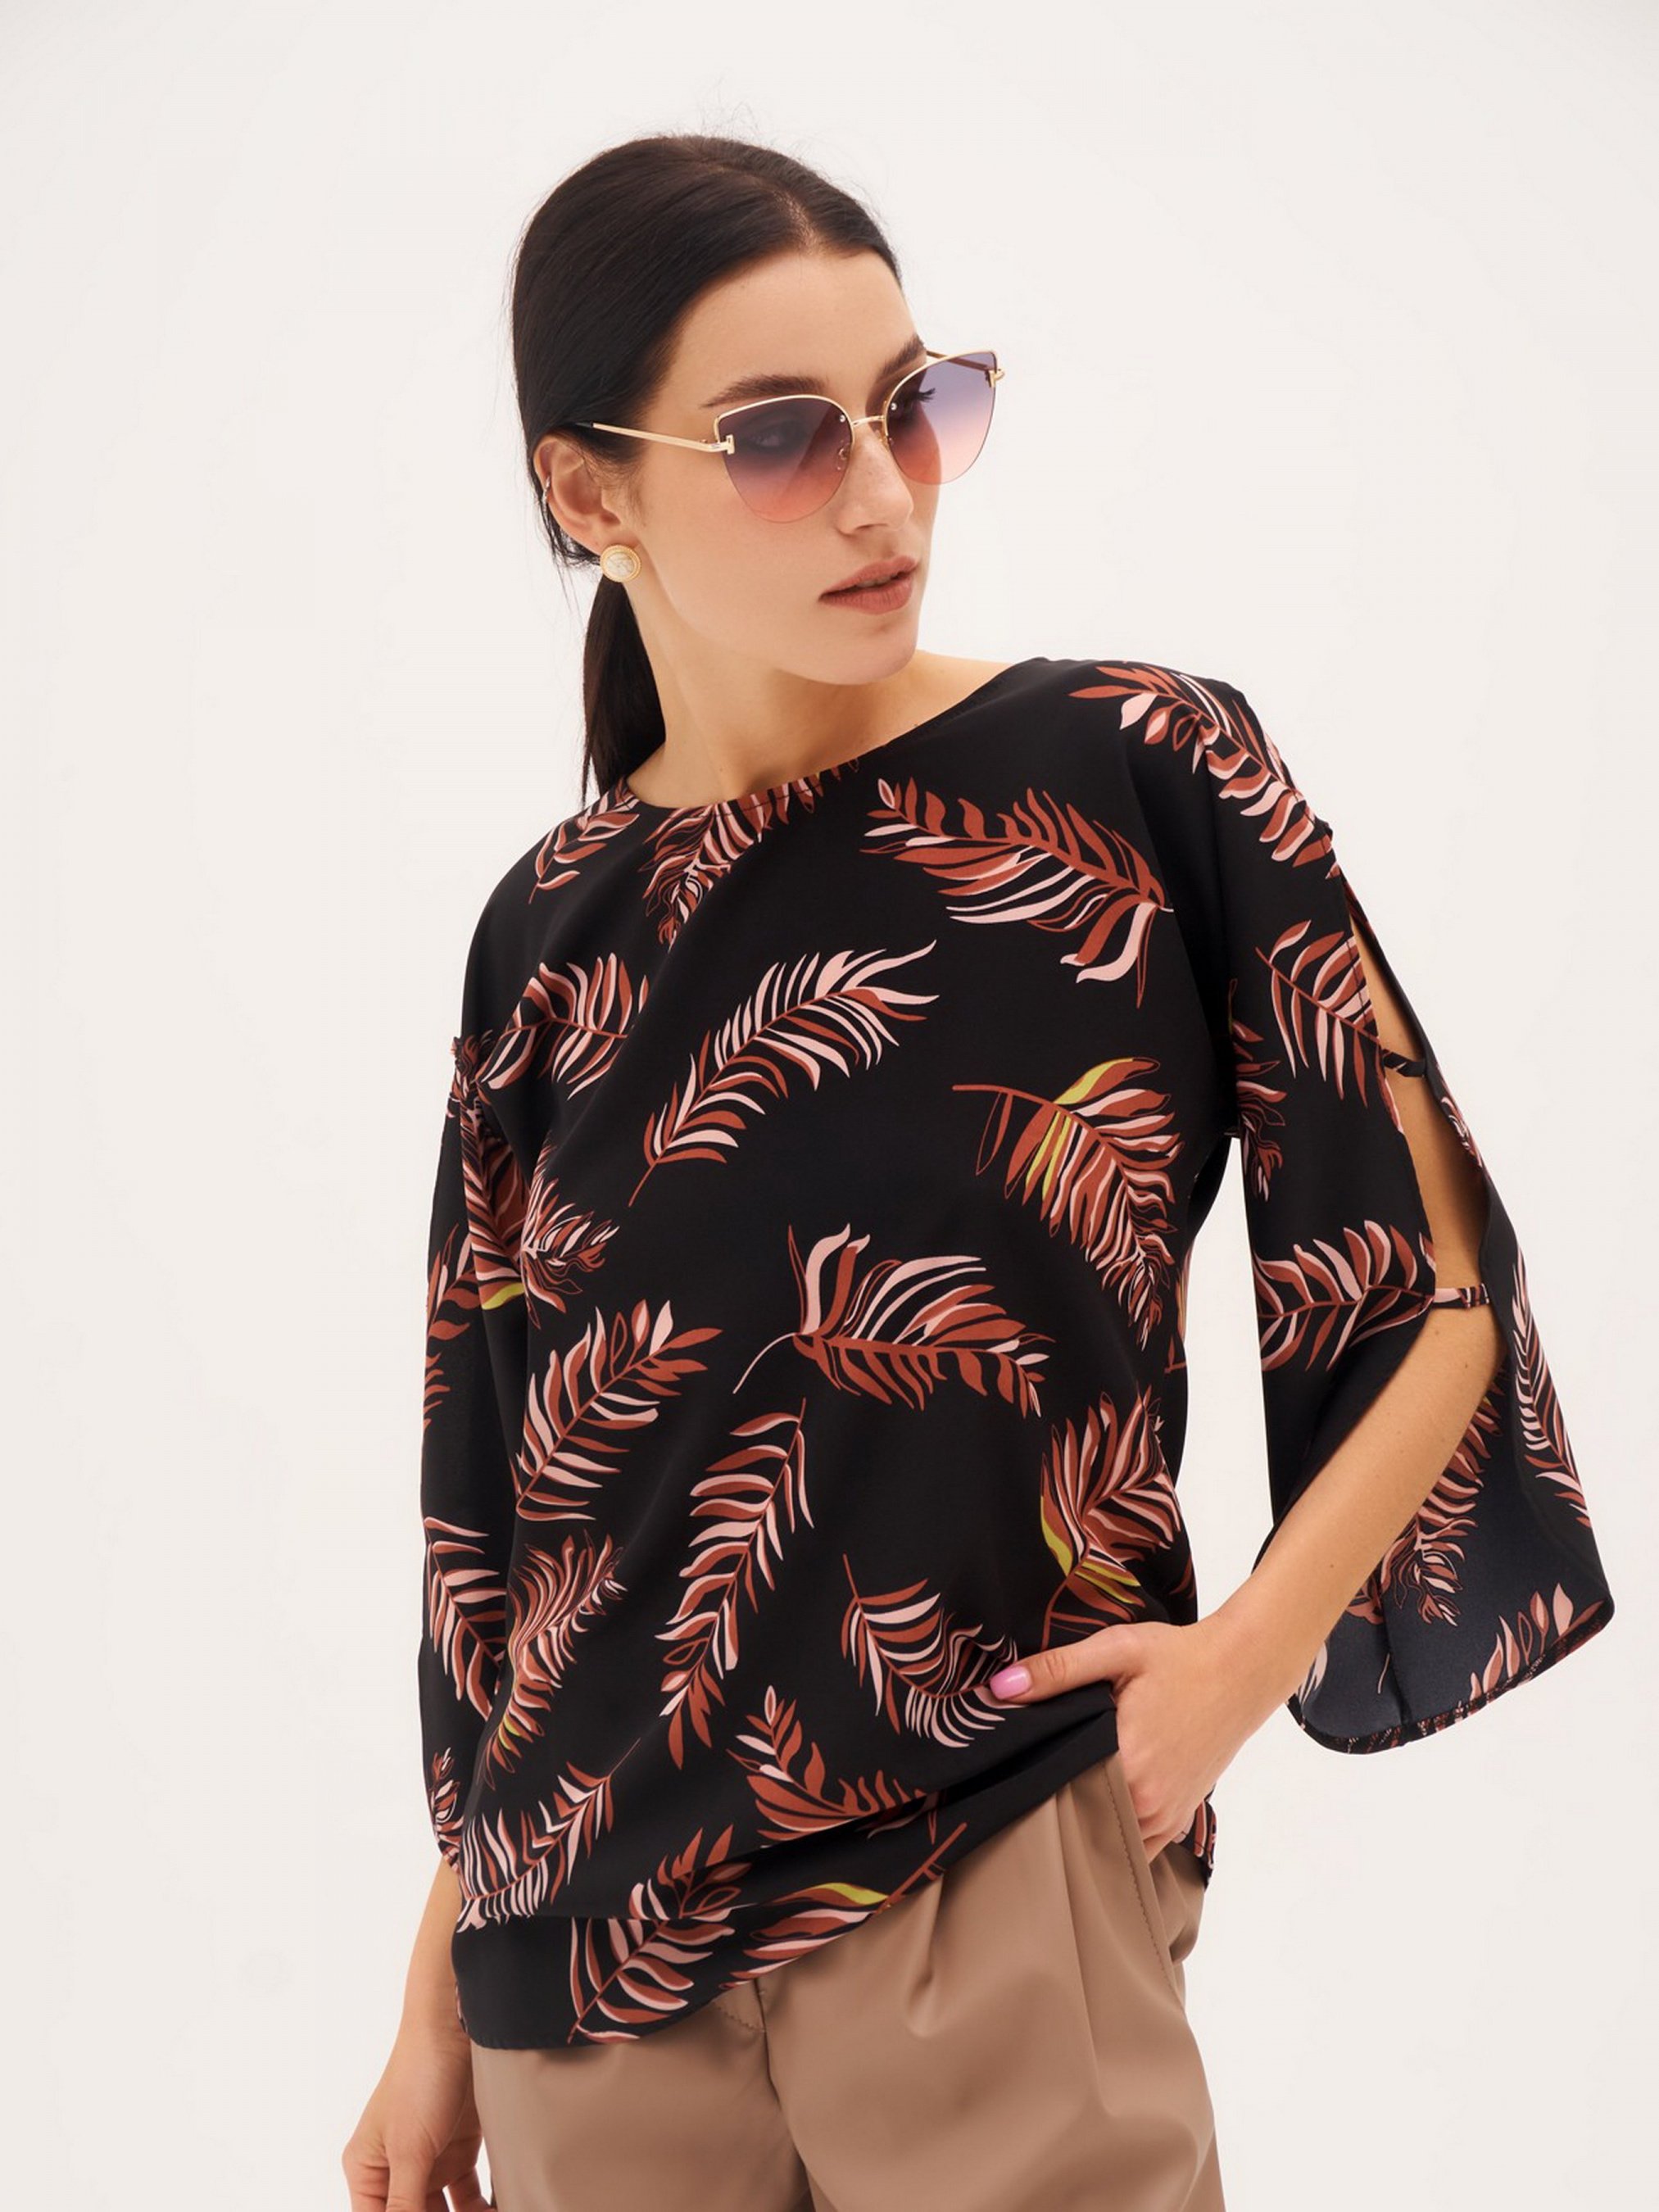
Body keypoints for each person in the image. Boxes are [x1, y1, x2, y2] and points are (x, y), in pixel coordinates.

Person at [342, 133, 1616, 2212]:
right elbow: (518, 1528)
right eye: (780, 438)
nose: (882, 493)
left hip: (994, 1859)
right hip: (580, 1989)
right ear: (589, 496)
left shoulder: (1135, 772)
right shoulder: (547, 931)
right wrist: (428, 2005)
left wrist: (1225, 1678)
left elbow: (1439, 1285)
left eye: (913, 406)